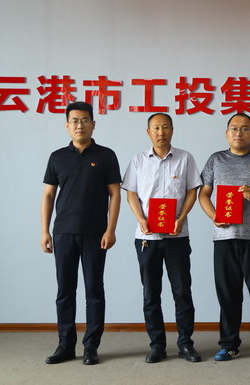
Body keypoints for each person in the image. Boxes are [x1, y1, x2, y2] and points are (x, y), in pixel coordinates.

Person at [197, 113, 250, 363]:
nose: (239, 133)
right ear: (227, 133)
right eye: (234, 128)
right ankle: (229, 345)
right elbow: (204, 193)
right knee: (228, 294)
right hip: (224, 238)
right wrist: (214, 216)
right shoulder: (216, 159)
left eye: (245, 129)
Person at [40, 101, 121, 366]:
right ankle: (65, 345)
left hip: (95, 234)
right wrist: (45, 231)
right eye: (74, 121)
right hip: (63, 232)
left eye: (85, 120)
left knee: (94, 290)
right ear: (67, 125)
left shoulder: (107, 155)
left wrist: (111, 229)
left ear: (93, 124)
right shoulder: (57, 157)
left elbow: (115, 194)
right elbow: (48, 195)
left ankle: (91, 346)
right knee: (65, 291)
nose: (80, 125)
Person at [122, 113, 202, 363]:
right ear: (148, 132)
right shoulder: (138, 160)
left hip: (177, 236)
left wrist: (181, 217)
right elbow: (131, 194)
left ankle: (185, 344)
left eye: (165, 127)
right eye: (156, 128)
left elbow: (192, 191)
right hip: (147, 238)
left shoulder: (185, 158)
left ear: (172, 130)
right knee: (151, 294)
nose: (161, 132)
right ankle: (157, 345)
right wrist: (141, 219)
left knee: (182, 292)